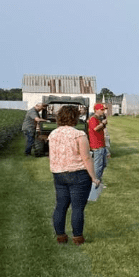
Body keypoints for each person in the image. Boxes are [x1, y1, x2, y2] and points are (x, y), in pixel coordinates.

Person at [49, 105, 100, 245]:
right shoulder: (79, 134)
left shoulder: (52, 134)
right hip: (78, 174)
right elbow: (86, 158)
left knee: (61, 205)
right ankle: (77, 237)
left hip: (59, 174)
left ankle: (60, 236)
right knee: (77, 207)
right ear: (75, 118)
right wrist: (94, 177)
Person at [88, 103, 110, 181]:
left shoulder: (98, 119)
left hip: (101, 145)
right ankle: (95, 182)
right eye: (102, 110)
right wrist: (103, 123)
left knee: (103, 165)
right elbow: (95, 128)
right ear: (96, 110)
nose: (103, 111)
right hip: (97, 146)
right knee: (98, 166)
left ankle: (98, 180)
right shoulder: (93, 119)